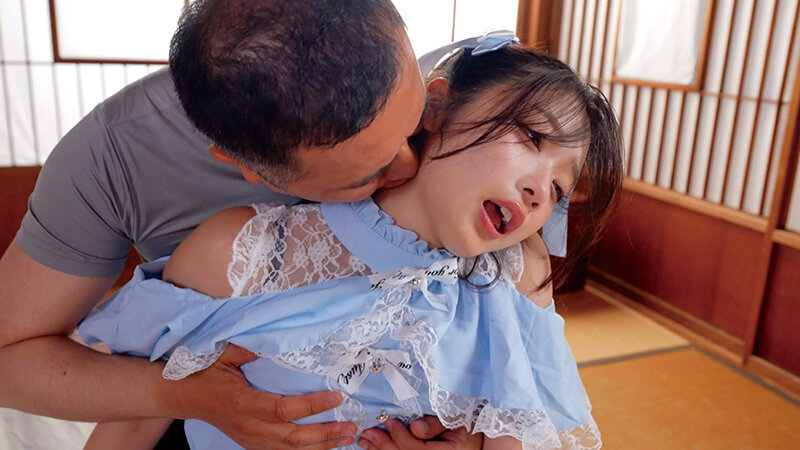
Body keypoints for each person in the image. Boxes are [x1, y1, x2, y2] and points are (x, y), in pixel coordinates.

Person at [78, 42, 624, 449]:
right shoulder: (243, 252)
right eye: (532, 138)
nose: (539, 192)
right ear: (437, 106)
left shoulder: (516, 275)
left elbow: (526, 426)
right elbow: (133, 422)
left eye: (559, 188)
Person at [0, 0, 461, 448]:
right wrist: (182, 394)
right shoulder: (117, 158)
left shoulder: (470, 90)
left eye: (417, 122)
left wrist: (475, 434)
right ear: (247, 168)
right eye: (368, 177)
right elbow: (8, 358)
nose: (411, 168)